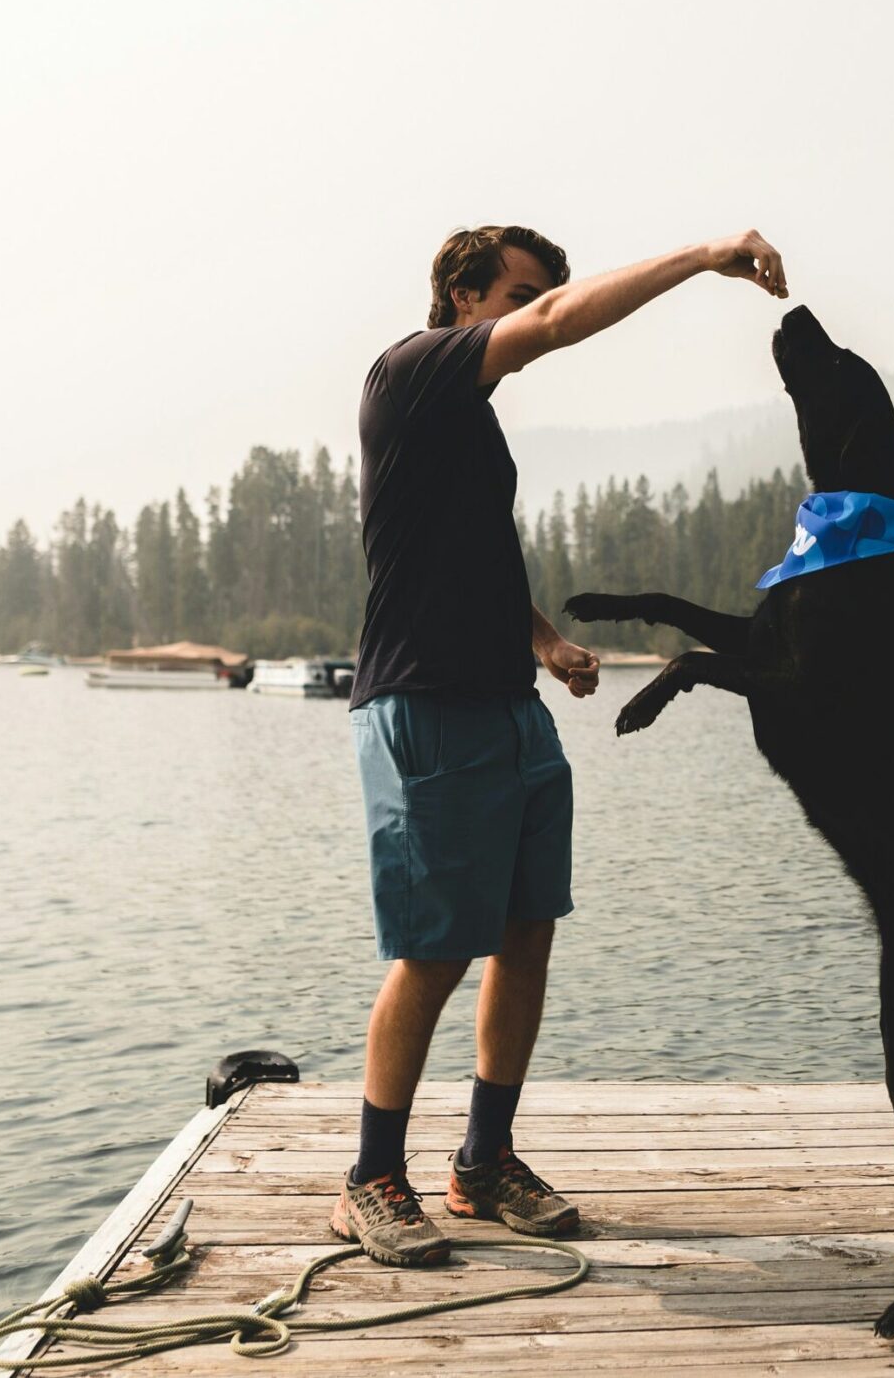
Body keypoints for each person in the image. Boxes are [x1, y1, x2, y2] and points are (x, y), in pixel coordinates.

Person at [336, 223, 789, 1265]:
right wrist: (704, 255)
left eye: (538, 292)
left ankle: (481, 1163)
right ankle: (368, 1177)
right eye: (518, 290)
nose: (533, 309)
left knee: (526, 930)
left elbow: (474, 556)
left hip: (505, 705)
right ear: (459, 292)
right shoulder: (410, 374)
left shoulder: (470, 424)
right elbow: (546, 328)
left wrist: (542, 640)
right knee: (435, 950)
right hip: (424, 706)